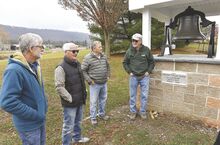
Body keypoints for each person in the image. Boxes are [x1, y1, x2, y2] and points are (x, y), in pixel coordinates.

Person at [0, 33, 47, 145]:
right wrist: (35, 115)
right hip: (29, 126)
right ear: (31, 49)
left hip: (39, 121)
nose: (43, 49)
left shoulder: (34, 65)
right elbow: (7, 102)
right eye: (41, 46)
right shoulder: (14, 70)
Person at [54, 43, 90, 144]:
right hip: (70, 102)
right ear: (66, 52)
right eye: (73, 51)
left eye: (77, 51)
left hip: (80, 99)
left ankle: (77, 138)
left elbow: (81, 79)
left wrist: (84, 92)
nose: (76, 53)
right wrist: (70, 98)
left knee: (78, 122)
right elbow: (59, 87)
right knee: (68, 126)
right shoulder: (60, 67)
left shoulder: (77, 63)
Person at [123, 33, 155, 120]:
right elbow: (125, 62)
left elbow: (151, 62)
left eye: (136, 41)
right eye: (133, 40)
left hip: (144, 76)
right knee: (132, 95)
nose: (134, 42)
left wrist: (148, 71)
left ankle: (143, 111)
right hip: (133, 77)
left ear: (140, 41)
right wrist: (129, 72)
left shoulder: (146, 50)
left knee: (144, 95)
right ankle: (133, 112)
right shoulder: (129, 51)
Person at [81, 41, 110, 126]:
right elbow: (83, 70)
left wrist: (108, 75)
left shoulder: (103, 56)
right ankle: (93, 118)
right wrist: (89, 80)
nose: (101, 48)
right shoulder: (88, 58)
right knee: (93, 102)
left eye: (101, 46)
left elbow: (108, 66)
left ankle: (101, 114)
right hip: (94, 84)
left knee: (103, 99)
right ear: (94, 48)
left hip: (104, 83)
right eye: (99, 47)